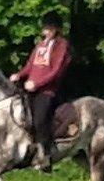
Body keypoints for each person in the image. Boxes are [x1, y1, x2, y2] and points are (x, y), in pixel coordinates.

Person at [10, 12, 72, 172]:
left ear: (56, 29)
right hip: (31, 87)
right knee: (20, 116)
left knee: (39, 119)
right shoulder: (40, 45)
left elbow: (56, 71)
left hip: (47, 90)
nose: (46, 32)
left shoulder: (61, 45)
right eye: (45, 28)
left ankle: (45, 155)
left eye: (49, 28)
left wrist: (37, 83)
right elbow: (31, 65)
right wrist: (19, 74)